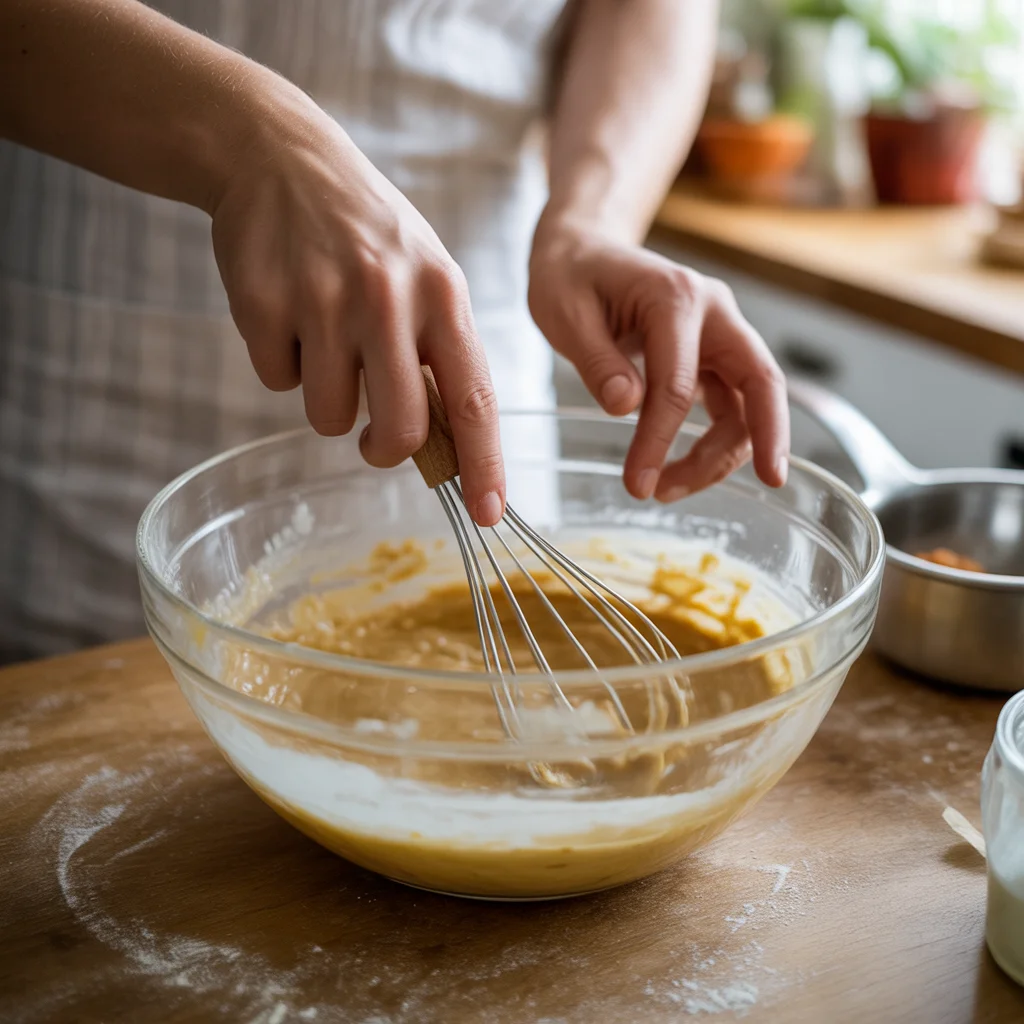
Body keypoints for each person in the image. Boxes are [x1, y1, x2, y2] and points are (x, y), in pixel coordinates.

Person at [0, 0, 789, 664]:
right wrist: (251, 140)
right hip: (95, 424)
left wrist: (593, 217)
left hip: (480, 361)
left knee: (505, 672)